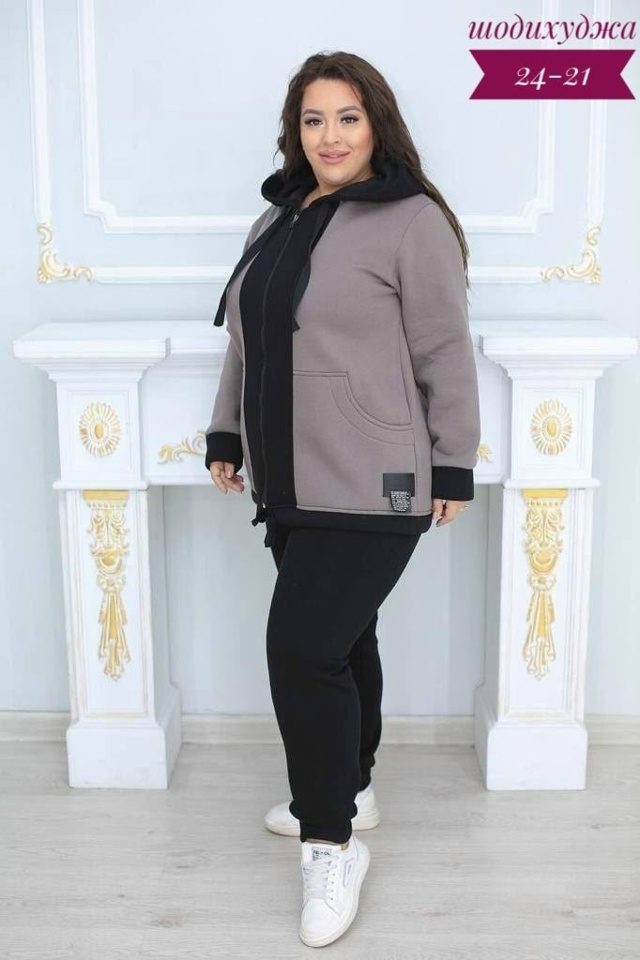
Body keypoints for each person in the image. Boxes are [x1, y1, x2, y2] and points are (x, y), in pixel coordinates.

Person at [204, 50, 481, 949]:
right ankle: (351, 788)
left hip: (378, 477)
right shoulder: (276, 218)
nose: (330, 136)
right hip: (291, 476)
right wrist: (225, 433)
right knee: (343, 640)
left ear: (377, 125)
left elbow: (445, 350)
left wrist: (452, 465)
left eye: (348, 117)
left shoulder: (413, 221)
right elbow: (244, 342)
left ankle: (330, 841)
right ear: (296, 131)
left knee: (302, 648)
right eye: (314, 119)